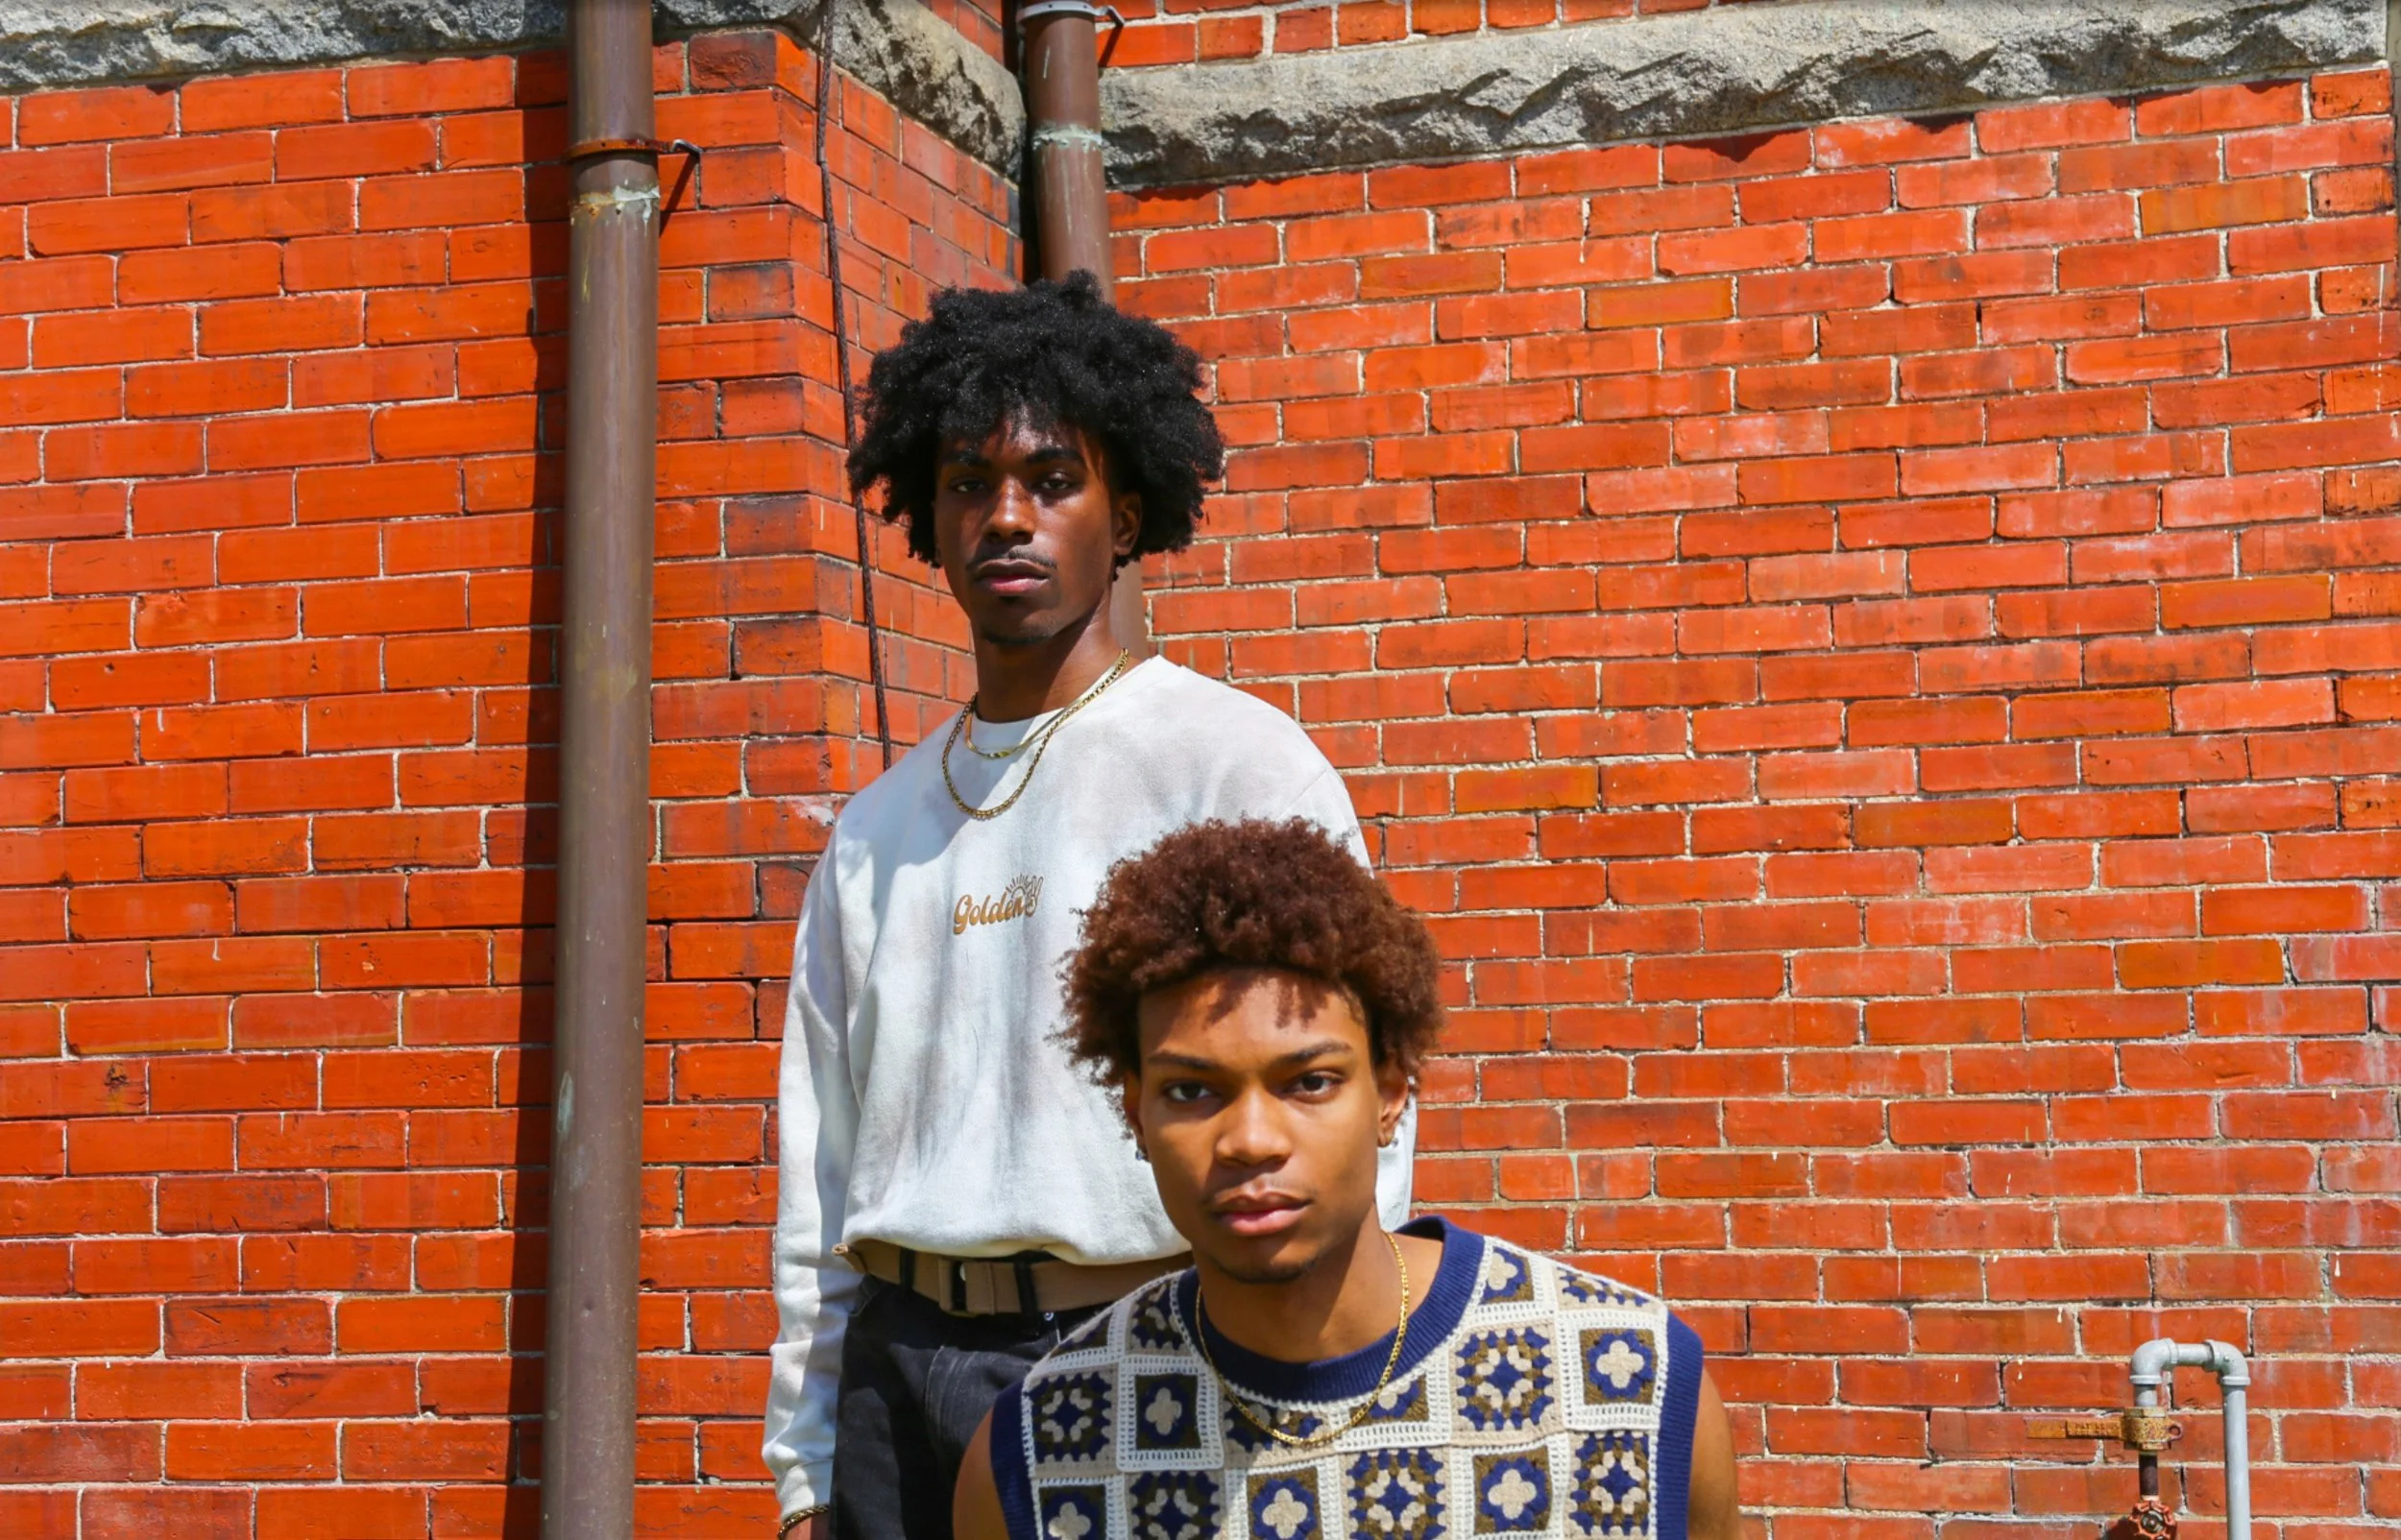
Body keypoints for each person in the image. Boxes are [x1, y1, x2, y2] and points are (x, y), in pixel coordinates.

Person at [764, 275, 1417, 1539]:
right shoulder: (873, 833)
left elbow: (1348, 1099)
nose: (1007, 515)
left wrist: (1339, 1384)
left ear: (1124, 517)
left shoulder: (1233, 766)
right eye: (969, 482)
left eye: (1052, 480)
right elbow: (819, 1174)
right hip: (896, 1381)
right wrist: (805, 1466)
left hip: (1151, 1346)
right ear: (928, 512)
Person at [954, 818, 1742, 1540]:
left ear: (1392, 1091)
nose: (1251, 1140)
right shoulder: (1044, 1447)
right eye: (1191, 1091)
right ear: (1136, 1115)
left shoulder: (1623, 1387)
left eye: (1309, 1082)